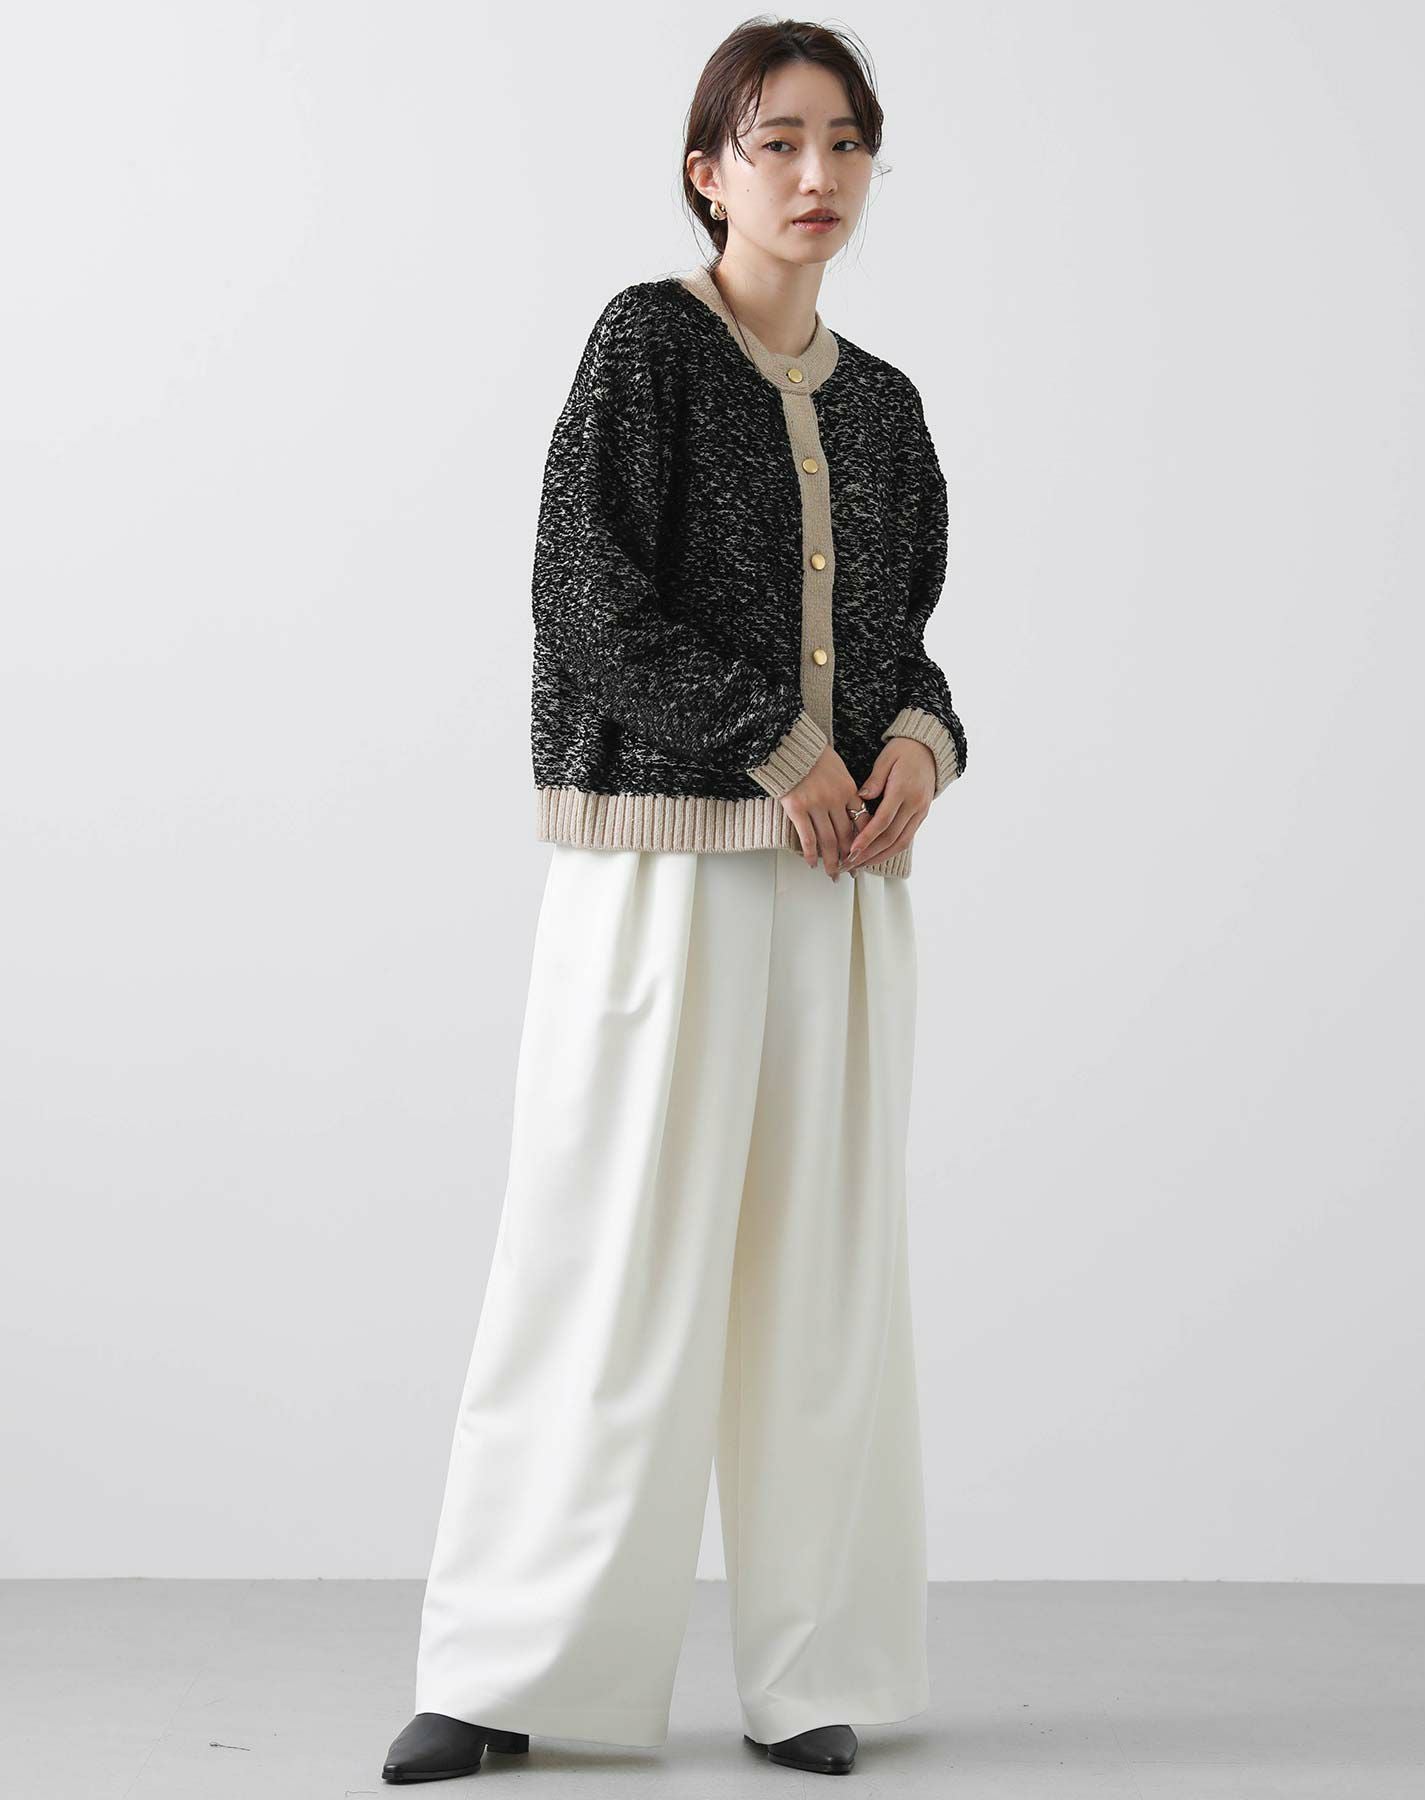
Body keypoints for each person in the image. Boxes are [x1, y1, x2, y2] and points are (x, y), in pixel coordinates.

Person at [381, 18, 967, 1784]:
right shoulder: (648, 345)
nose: (817, 175)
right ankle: (506, 1671)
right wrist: (775, 745)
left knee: (823, 1286)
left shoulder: (886, 410)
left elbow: (903, 639)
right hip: (661, 878)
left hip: (840, 895)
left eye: (845, 143)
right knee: (607, 1264)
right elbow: (582, 594)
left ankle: (811, 1673)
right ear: (709, 171)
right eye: (777, 142)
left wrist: (919, 746)